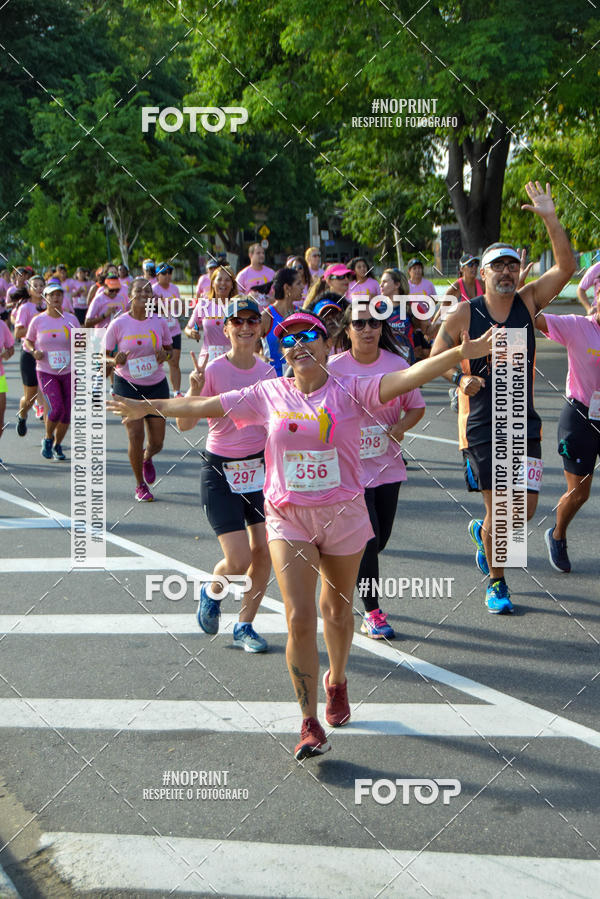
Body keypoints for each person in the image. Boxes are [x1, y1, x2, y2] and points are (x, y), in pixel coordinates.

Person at [108, 310, 492, 760]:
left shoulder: (350, 390)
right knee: (299, 619)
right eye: (288, 338)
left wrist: (457, 355)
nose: (299, 342)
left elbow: (408, 376)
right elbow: (202, 406)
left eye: (309, 334)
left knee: (337, 613)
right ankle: (308, 721)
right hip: (288, 517)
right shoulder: (267, 393)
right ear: (282, 351)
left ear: (328, 345)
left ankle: (338, 680)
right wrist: (146, 406)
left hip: (344, 514)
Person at [430, 181, 576, 614]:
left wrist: (550, 217)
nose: (507, 272)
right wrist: (460, 378)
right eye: (499, 267)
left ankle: (485, 535)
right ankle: (497, 583)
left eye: (513, 265)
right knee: (503, 510)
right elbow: (436, 356)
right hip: (481, 424)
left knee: (523, 512)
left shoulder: (528, 303)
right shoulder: (465, 312)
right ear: (484, 273)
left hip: (522, 421)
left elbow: (566, 267)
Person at [179, 297, 275, 652]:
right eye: (238, 322)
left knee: (263, 552)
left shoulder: (268, 372)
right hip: (221, 472)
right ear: (226, 329)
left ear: (260, 327)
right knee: (239, 559)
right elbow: (186, 423)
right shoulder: (213, 371)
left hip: (260, 470)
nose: (246, 327)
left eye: (252, 321)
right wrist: (193, 387)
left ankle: (245, 626)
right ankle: (211, 591)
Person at [329, 303, 425, 639]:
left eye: (374, 323)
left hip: (387, 466)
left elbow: (416, 408)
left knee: (379, 539)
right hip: (350, 471)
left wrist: (400, 427)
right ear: (348, 329)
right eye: (360, 323)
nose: (367, 329)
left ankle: (352, 568)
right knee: (368, 540)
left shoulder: (397, 365)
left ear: (382, 329)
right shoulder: (333, 368)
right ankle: (373, 611)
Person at [534, 305, 600, 572]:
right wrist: (524, 288)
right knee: (579, 493)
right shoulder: (577, 325)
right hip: (581, 416)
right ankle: (557, 534)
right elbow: (534, 319)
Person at [105, 278, 173, 502]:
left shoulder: (159, 322)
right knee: (135, 435)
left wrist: (165, 354)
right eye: (138, 291)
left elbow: (169, 350)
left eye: (148, 291)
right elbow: (101, 357)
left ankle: (147, 457)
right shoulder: (118, 324)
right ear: (130, 295)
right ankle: (140, 485)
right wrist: (115, 358)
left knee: (158, 442)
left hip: (156, 385)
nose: (144, 294)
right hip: (127, 384)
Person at [24, 281, 79, 460]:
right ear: (45, 298)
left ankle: (57, 445)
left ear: (63, 297)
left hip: (69, 371)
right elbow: (28, 341)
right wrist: (34, 351)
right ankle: (48, 439)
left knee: (67, 414)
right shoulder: (38, 320)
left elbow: (81, 342)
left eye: (59, 295)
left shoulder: (71, 319)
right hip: (46, 370)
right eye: (52, 295)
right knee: (56, 409)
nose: (56, 298)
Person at [13, 278, 46, 436]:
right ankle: (22, 414)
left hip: (48, 356)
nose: (39, 288)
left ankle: (51, 439)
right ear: (29, 289)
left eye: (42, 285)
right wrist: (36, 330)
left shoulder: (50, 306)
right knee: (30, 397)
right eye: (36, 286)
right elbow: (18, 333)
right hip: (29, 354)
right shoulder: (25, 308)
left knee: (50, 395)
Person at [185, 265, 236, 362]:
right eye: (219, 279)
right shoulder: (204, 304)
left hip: (232, 358)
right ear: (213, 283)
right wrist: (191, 333)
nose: (223, 283)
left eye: (227, 280)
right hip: (207, 358)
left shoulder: (237, 305)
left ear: (232, 284)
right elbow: (188, 328)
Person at [261, 268, 303, 376]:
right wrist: (260, 357)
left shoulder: (300, 314)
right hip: (273, 380)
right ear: (287, 288)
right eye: (299, 283)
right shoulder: (266, 316)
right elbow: (248, 346)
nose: (303, 287)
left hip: (297, 380)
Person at [151, 262, 183, 396]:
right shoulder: (153, 289)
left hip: (174, 330)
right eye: (164, 273)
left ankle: (177, 392)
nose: (167, 275)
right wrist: (158, 305)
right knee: (158, 362)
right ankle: (154, 390)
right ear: (157, 275)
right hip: (159, 332)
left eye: (169, 272)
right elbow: (148, 311)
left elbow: (179, 308)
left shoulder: (175, 289)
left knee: (174, 362)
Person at [379, 268, 415, 363]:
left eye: (385, 282)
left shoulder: (411, 306)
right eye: (381, 282)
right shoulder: (378, 307)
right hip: (385, 358)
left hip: (407, 360)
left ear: (397, 284)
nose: (381, 285)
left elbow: (426, 330)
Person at [0, 315, 15, 461]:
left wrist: (7, 354)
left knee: (0, 420)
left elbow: (11, 349)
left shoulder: (2, 326)